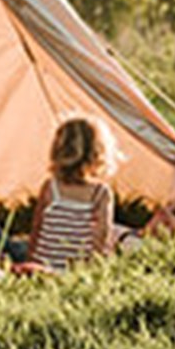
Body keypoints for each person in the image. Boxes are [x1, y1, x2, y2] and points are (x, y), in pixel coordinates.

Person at [27, 116, 118, 272]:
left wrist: (30, 261)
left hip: (42, 268)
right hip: (75, 272)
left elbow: (36, 231)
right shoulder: (101, 194)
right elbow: (102, 240)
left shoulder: (50, 187)